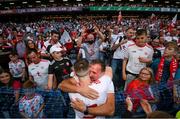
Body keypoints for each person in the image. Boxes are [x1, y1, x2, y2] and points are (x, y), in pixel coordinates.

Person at [151, 41, 178, 111]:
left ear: (175, 53)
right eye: (166, 48)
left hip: (170, 89)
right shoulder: (157, 61)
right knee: (156, 106)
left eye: (169, 49)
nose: (166, 50)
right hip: (157, 87)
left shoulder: (177, 64)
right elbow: (151, 75)